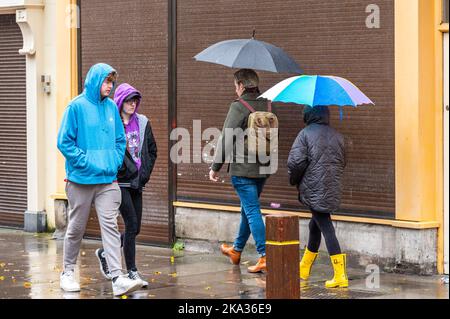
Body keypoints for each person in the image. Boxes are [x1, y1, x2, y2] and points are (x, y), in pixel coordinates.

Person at [57, 63, 142, 296]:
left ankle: (117, 277)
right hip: (81, 180)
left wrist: (114, 162)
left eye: (112, 82)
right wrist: (86, 162)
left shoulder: (111, 109)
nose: (110, 86)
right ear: (95, 81)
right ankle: (67, 272)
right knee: (76, 227)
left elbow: (119, 140)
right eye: (106, 81)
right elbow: (64, 142)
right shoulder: (76, 107)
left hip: (107, 180)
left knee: (111, 227)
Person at [209, 68, 276, 273]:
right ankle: (237, 250)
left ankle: (265, 255)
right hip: (263, 169)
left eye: (235, 85)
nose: (235, 89)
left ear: (240, 86)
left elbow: (227, 137)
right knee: (248, 209)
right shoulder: (269, 104)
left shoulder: (239, 106)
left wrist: (215, 166)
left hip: (243, 169)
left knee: (252, 210)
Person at [95, 83, 157, 288]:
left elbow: (151, 150)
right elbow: (108, 150)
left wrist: (144, 176)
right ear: (120, 101)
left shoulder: (143, 122)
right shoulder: (113, 123)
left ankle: (105, 252)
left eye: (135, 100)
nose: (133, 104)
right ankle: (131, 271)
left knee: (136, 227)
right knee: (131, 224)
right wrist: (121, 170)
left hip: (137, 182)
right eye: (129, 100)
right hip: (119, 182)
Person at [287, 105, 348, 288]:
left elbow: (296, 163)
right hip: (331, 186)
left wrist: (293, 180)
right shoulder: (337, 136)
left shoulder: (305, 134)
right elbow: (343, 161)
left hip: (314, 187)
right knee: (315, 225)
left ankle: (340, 275)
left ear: (308, 115)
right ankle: (304, 268)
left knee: (326, 226)